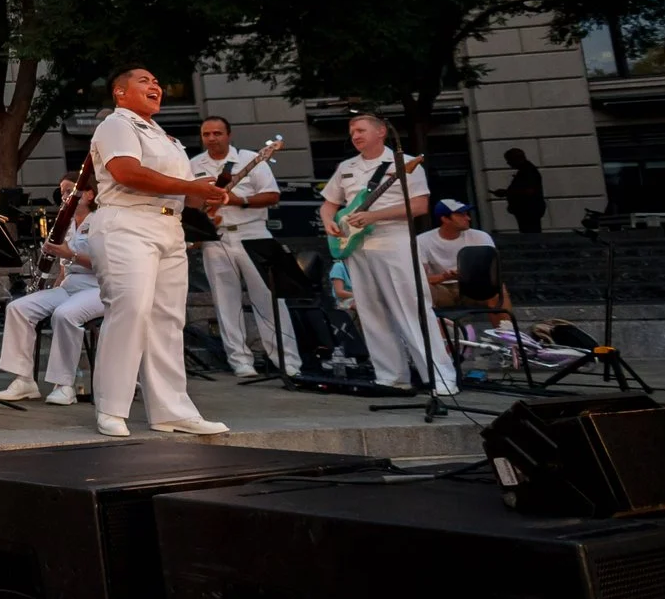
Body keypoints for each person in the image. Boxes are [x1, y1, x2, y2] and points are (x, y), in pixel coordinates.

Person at [86, 67, 234, 437]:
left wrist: (207, 195)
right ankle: (111, 408)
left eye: (157, 82)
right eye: (144, 81)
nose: (156, 86)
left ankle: (171, 409)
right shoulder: (117, 125)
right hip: (127, 223)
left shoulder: (165, 137)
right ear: (120, 92)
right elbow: (126, 172)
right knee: (130, 310)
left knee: (167, 320)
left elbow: (177, 188)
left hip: (169, 225)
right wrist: (190, 185)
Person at [321, 113, 456, 394]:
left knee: (411, 307)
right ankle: (391, 376)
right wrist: (329, 222)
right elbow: (329, 203)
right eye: (352, 132)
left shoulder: (405, 164)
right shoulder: (347, 167)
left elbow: (419, 206)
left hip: (393, 240)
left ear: (381, 131)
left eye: (360, 130)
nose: (355, 136)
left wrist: (375, 216)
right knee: (371, 311)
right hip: (357, 246)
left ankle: (441, 377)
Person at [187, 115, 296, 377]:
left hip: (253, 232)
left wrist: (239, 200)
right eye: (206, 134)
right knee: (225, 302)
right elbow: (189, 202)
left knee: (269, 297)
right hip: (217, 237)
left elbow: (272, 195)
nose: (212, 138)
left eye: (217, 133)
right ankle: (240, 361)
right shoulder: (193, 165)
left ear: (229, 135)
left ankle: (287, 360)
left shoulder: (250, 159)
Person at [0, 190, 98, 405]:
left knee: (64, 314)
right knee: (18, 308)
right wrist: (54, 283)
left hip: (96, 287)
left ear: (89, 194)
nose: (65, 196)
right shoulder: (66, 223)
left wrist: (69, 254)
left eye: (70, 191)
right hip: (69, 286)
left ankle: (64, 385)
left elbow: (106, 263)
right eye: (62, 192)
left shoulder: (100, 222)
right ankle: (24, 380)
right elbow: (63, 267)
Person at [419, 198, 505, 311]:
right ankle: (436, 327)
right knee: (423, 290)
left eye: (467, 214)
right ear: (445, 219)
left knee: (498, 288)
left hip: (471, 287)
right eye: (461, 215)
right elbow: (421, 279)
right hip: (441, 288)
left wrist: (467, 274)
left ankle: (504, 327)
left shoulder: (480, 237)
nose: (468, 218)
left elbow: (491, 272)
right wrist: (444, 276)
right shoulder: (422, 240)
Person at [502, 147, 546, 234]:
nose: (508, 163)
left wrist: (507, 193)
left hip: (528, 210)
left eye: (509, 160)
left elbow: (529, 191)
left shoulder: (528, 171)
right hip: (528, 210)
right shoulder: (527, 170)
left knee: (530, 234)